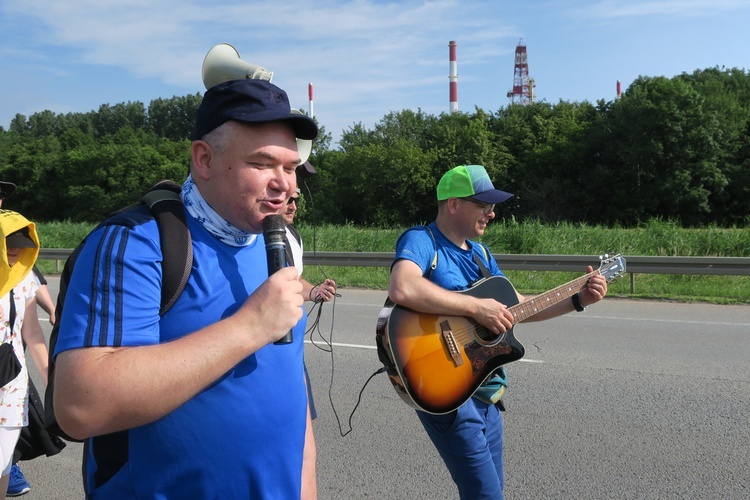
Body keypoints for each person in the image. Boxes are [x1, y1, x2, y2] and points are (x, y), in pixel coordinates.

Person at [52, 78, 320, 498]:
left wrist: (305, 485)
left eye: (289, 168)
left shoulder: (282, 242)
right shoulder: (137, 241)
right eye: (263, 163)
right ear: (204, 159)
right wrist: (249, 328)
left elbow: (291, 389)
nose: (284, 183)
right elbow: (80, 407)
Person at [386, 164, 609, 499]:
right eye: (483, 205)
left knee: (492, 492)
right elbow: (402, 287)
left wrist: (578, 299)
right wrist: (476, 308)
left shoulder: (480, 254)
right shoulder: (422, 241)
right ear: (453, 204)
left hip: (487, 393)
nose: (492, 213)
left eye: (493, 206)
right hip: (449, 394)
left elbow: (517, 306)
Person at [0, 214, 49, 497]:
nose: (16, 250)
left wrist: (48, 377)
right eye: (9, 244)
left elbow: (32, 333)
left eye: (22, 245)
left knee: (4, 461)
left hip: (11, 381)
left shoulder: (25, 278)